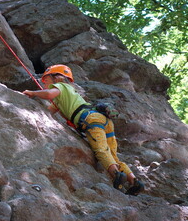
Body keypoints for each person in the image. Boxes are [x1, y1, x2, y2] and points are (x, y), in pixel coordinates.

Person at [23, 64, 144, 195]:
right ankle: (134, 180)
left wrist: (32, 93)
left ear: (57, 78)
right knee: (113, 154)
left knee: (101, 150)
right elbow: (48, 111)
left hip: (91, 121)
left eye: (46, 80)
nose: (45, 83)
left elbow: (48, 93)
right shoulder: (68, 93)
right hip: (103, 119)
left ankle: (116, 175)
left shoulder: (61, 87)